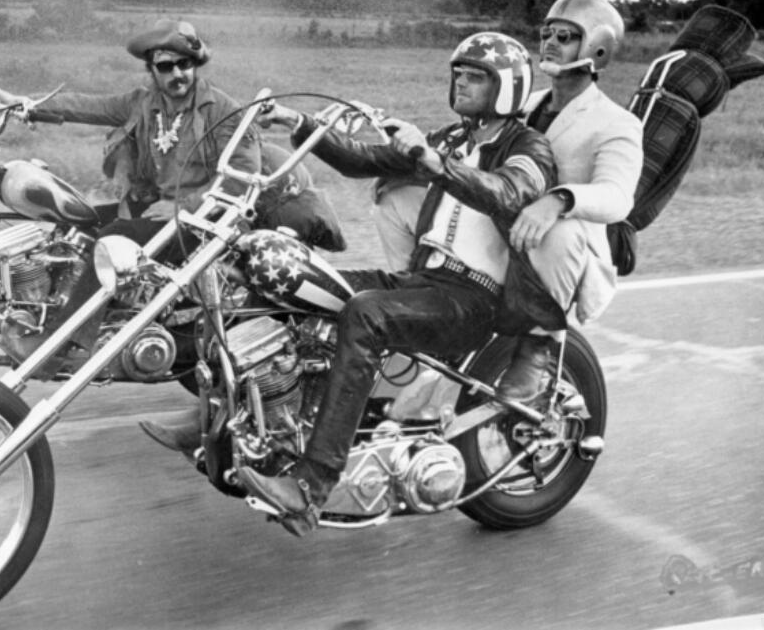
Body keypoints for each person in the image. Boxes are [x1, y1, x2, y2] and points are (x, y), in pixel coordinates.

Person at [167, 33, 557, 533]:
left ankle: (310, 487)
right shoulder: (453, 140)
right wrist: (299, 124)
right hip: (424, 279)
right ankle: (223, 419)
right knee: (284, 284)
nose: (460, 81)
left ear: (508, 88)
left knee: (365, 315)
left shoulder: (528, 147)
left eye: (475, 75)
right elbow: (360, 160)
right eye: (457, 72)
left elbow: (508, 193)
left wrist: (431, 161)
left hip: (476, 300)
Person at [0, 19, 261, 350]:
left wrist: (185, 206)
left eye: (185, 65)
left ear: (195, 65)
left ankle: (61, 347)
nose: (178, 74)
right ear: (152, 71)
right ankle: (42, 313)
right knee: (77, 223)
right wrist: (26, 106)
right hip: (164, 208)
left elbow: (243, 177)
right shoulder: (145, 103)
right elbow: (89, 106)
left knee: (112, 238)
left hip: (207, 220)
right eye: (166, 67)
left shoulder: (222, 111)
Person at [492, 0, 644, 400]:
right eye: (547, 34)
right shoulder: (522, 107)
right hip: (507, 232)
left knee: (561, 230)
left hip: (567, 251)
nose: (551, 43)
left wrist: (557, 200)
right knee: (401, 198)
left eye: (566, 36)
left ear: (597, 46)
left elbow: (617, 197)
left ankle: (537, 349)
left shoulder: (617, 122)